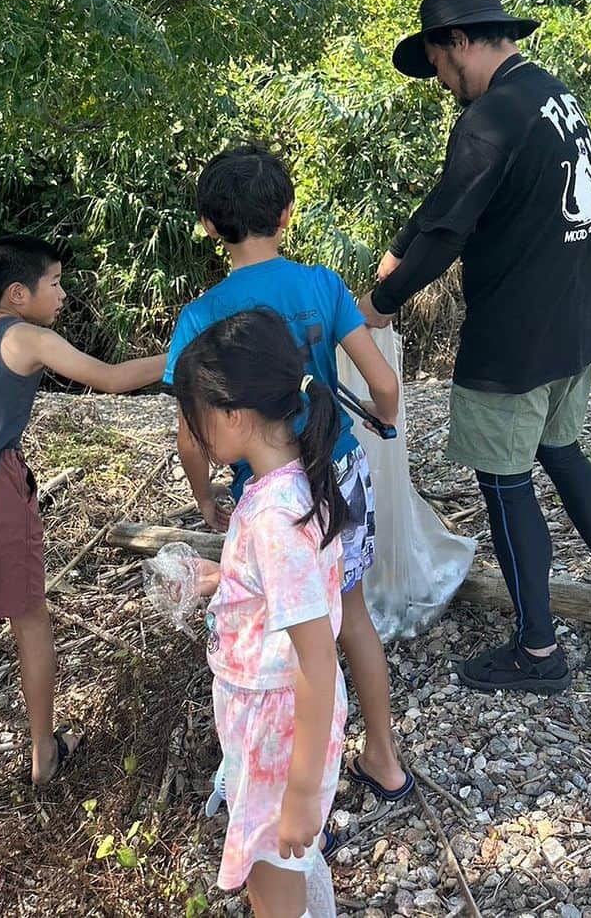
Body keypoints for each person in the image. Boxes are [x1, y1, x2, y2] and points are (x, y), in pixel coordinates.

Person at [357, 0, 591, 694]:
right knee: (563, 452)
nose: (442, 82)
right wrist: (394, 253)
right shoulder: (547, 95)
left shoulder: (487, 117)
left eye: (440, 65)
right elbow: (448, 199)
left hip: (516, 337)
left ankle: (538, 651)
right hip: (577, 321)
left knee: (506, 483)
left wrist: (381, 301)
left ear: (458, 44)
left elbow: (449, 230)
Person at [165, 145, 411, 804]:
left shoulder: (198, 318)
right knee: (347, 613)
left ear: (211, 226)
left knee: (285, 640)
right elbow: (383, 385)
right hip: (338, 472)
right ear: (287, 214)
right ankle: (382, 759)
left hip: (268, 490)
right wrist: (384, 421)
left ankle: (287, 784)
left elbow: (194, 439)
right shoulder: (323, 286)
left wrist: (206, 501)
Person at [0, 235, 166, 824]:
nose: (63, 293)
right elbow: (111, 378)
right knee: (29, 620)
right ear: (19, 293)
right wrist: (184, 351)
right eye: (55, 283)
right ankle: (44, 754)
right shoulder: (28, 335)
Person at [174, 309, 346, 918]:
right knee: (284, 865)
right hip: (269, 714)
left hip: (279, 721)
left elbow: (316, 657)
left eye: (192, 417)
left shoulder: (276, 517)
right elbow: (292, 591)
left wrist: (301, 792)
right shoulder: (289, 486)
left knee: (270, 876)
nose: (189, 432)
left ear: (232, 415)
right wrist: (223, 578)